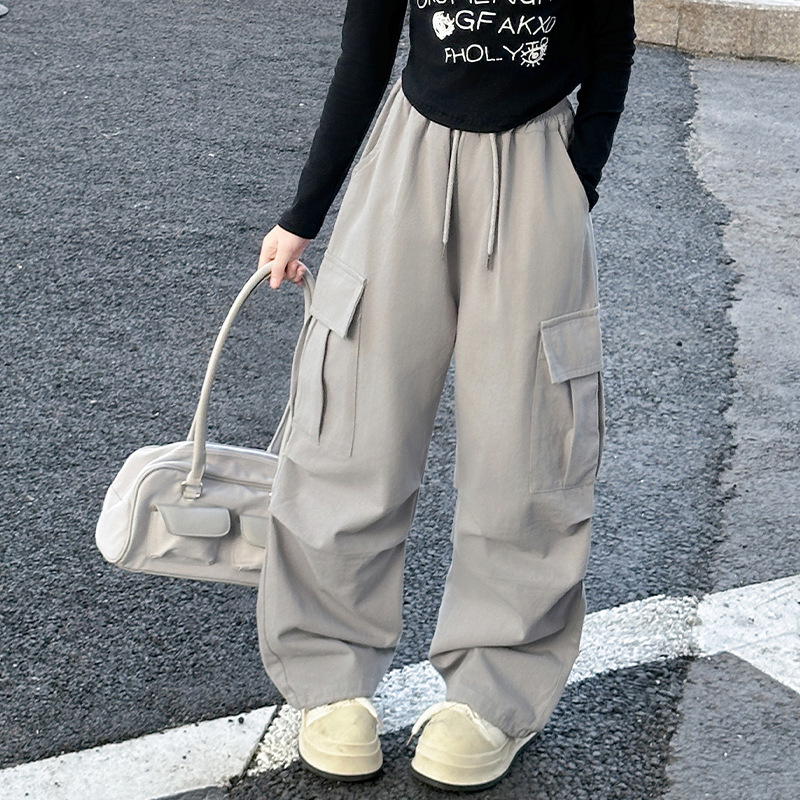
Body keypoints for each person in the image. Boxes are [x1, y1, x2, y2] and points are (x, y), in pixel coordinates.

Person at [256, 0, 635, 791]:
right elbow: (365, 52)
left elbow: (611, 48)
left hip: (538, 165)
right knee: (352, 423)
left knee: (527, 441)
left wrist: (578, 180)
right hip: (407, 156)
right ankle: (328, 675)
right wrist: (304, 213)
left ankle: (494, 692)